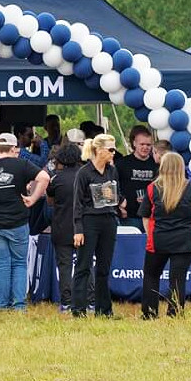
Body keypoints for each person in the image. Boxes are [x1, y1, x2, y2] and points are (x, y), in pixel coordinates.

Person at [0, 132, 49, 311]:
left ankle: (2, 304)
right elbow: (44, 178)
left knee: (0, 263)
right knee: (18, 263)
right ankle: (19, 304)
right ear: (14, 148)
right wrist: (33, 198)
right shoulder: (21, 165)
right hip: (18, 222)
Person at [141, 151, 191, 319]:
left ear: (162, 167)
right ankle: (175, 314)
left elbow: (145, 217)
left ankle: (149, 313)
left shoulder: (152, 188)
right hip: (185, 240)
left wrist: (150, 235)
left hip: (158, 240)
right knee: (178, 279)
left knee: (151, 275)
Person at [71, 133, 124, 319]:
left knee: (103, 268)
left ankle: (104, 310)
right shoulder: (84, 173)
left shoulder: (112, 171)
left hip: (109, 219)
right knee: (83, 266)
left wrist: (121, 203)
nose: (113, 153)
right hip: (89, 221)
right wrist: (78, 229)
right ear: (98, 150)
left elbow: (117, 193)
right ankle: (78, 309)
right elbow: (77, 202)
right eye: (110, 149)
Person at [45, 142, 84, 313]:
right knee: (86, 264)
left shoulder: (56, 178)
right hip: (82, 227)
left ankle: (66, 302)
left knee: (65, 266)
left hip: (61, 226)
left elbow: (50, 201)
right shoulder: (85, 176)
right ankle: (89, 300)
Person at [118, 126, 158, 231]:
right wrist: (119, 206)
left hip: (153, 216)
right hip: (129, 216)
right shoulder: (122, 163)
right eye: (142, 144)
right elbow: (113, 186)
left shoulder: (156, 164)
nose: (145, 147)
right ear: (134, 143)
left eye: (148, 145)